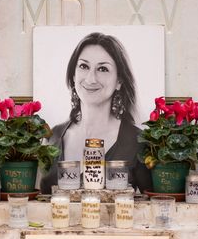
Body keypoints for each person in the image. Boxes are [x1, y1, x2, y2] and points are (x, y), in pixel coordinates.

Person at [40, 32, 151, 192]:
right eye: (84, 66)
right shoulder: (53, 136)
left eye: (103, 69)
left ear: (119, 81)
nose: (91, 78)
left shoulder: (138, 141)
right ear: (73, 75)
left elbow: (153, 207)